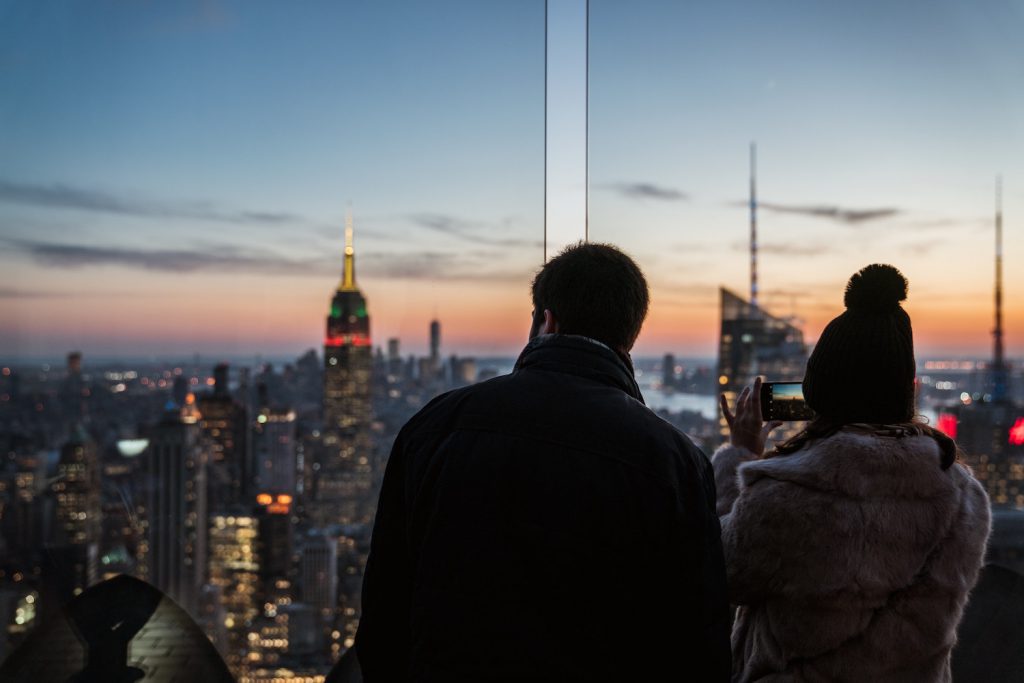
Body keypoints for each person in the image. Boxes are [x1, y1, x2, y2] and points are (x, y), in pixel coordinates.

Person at [356, 242, 731, 681]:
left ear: (546, 319)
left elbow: (384, 614)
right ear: (630, 337)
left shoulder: (434, 427)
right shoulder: (675, 462)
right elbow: (697, 646)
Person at [715, 264, 991, 682]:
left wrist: (738, 456)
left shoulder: (788, 493)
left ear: (819, 391)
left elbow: (722, 573)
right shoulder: (964, 497)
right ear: (906, 387)